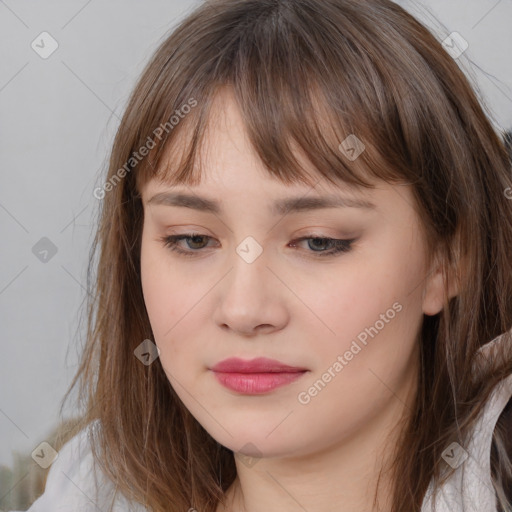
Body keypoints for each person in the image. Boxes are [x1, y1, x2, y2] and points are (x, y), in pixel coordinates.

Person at [11, 0, 512, 511]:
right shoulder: (83, 492)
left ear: (449, 259)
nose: (243, 310)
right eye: (193, 239)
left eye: (319, 241)